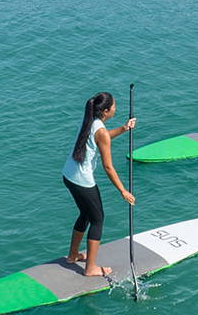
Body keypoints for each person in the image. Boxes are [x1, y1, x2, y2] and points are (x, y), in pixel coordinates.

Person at [62, 91, 136, 278]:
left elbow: (101, 137)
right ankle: (90, 268)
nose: (115, 109)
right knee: (97, 219)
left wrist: (123, 128)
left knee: (85, 214)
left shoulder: (90, 121)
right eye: (113, 107)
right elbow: (108, 167)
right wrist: (123, 191)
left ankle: (72, 256)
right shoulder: (100, 130)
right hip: (82, 181)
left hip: (68, 175)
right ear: (105, 111)